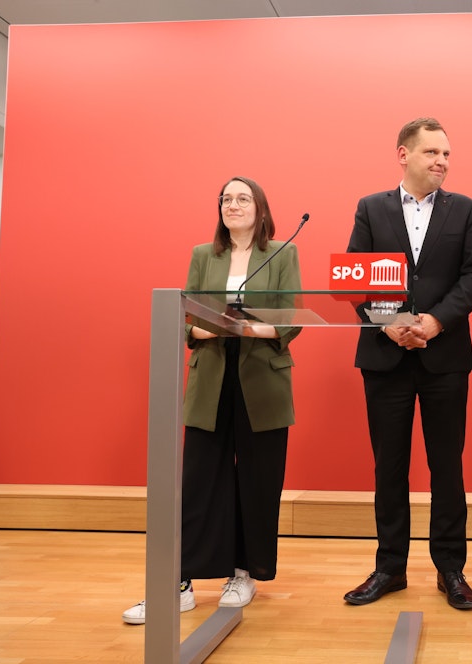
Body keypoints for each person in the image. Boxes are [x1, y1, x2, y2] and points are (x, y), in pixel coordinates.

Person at [123, 176, 302, 624]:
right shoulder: (204, 254)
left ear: (260, 208)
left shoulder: (283, 253)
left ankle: (243, 574)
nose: (232, 205)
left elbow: (290, 317)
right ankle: (179, 582)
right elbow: (186, 317)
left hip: (262, 377)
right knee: (200, 482)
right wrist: (215, 328)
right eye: (226, 199)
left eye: (242, 198)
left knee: (258, 482)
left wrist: (242, 327)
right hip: (212, 377)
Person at [343, 118, 472, 610]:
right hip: (385, 356)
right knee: (389, 467)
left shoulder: (466, 209)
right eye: (432, 152)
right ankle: (390, 568)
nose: (442, 161)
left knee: (447, 466)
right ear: (403, 155)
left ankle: (451, 569)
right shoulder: (371, 208)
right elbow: (354, 278)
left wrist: (434, 321)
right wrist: (390, 324)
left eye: (446, 154)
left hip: (445, 357)